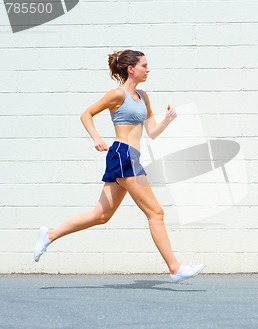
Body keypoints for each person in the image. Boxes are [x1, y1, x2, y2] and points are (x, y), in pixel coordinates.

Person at [33, 49, 204, 282]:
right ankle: (175, 268)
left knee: (101, 215)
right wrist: (97, 138)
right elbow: (86, 114)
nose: (148, 69)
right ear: (131, 69)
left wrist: (166, 120)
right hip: (123, 155)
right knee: (156, 212)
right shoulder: (117, 95)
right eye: (144, 65)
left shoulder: (143, 96)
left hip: (129, 157)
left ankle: (50, 234)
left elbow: (151, 132)